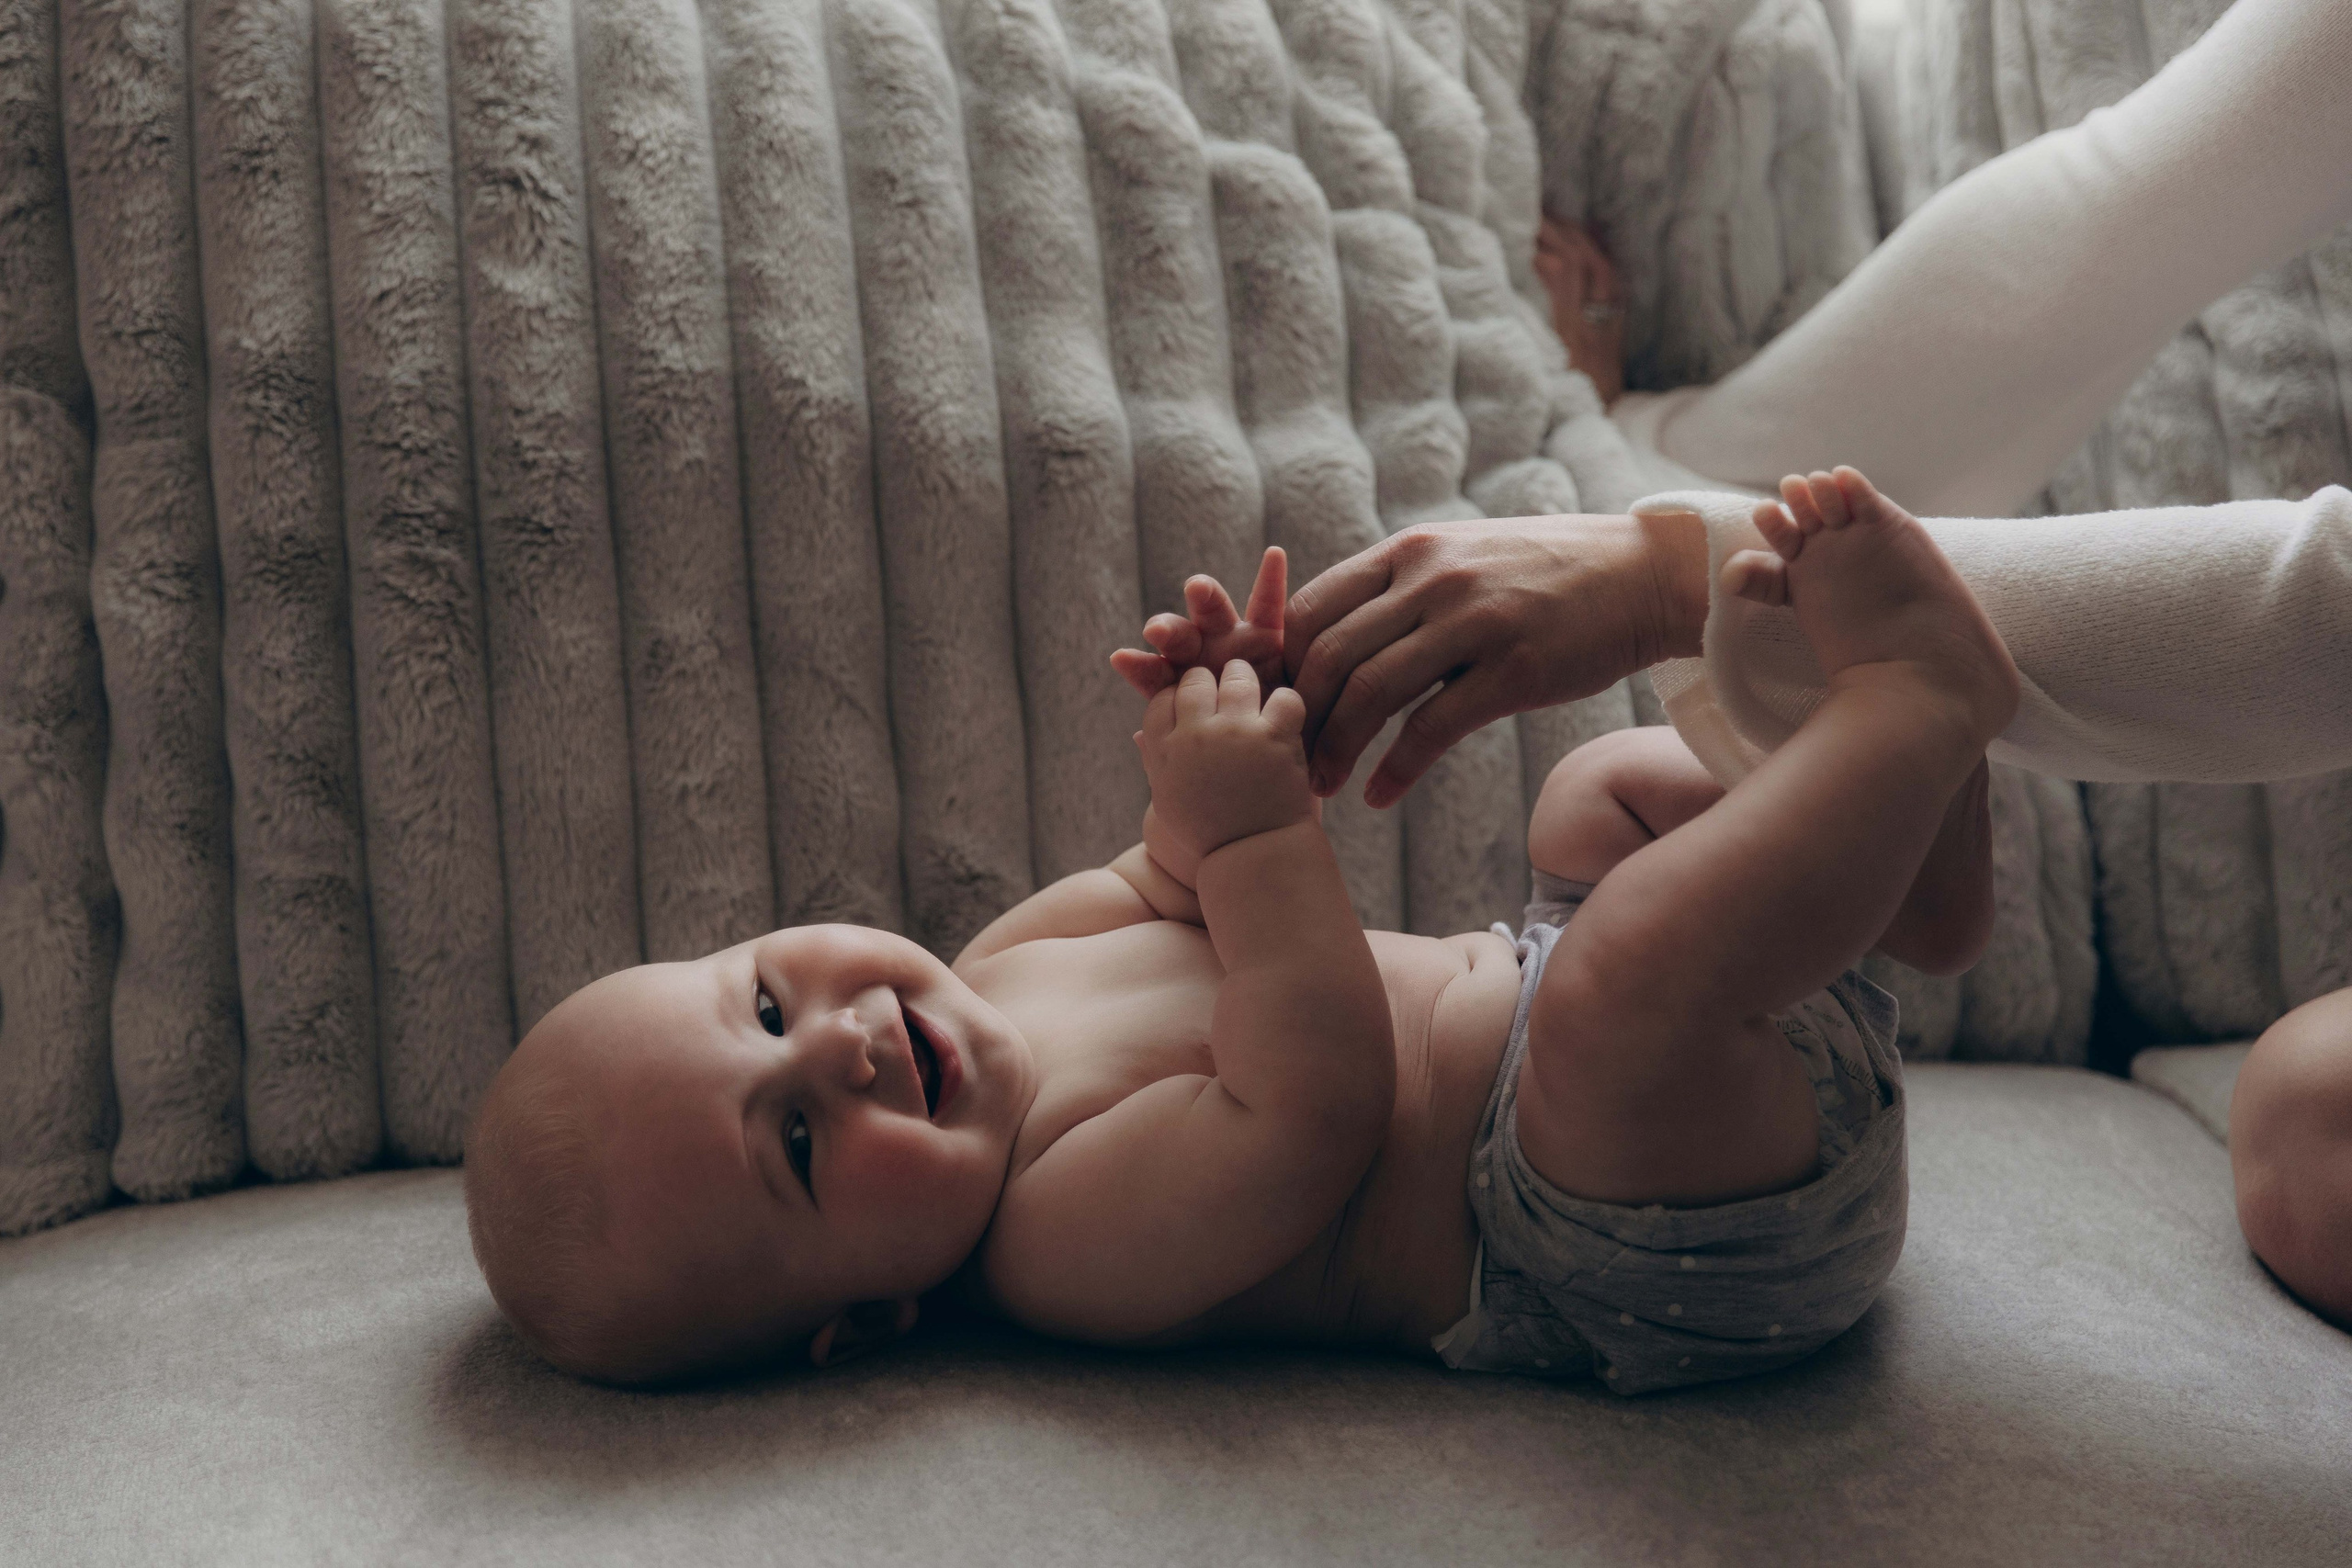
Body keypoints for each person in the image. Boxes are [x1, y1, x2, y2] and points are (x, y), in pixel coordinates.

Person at [1250, 0, 2352, 1325]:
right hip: (1663, 1147)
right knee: (2311, 1127)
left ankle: (1915, 727)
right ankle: (1913, 820)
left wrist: (1668, 571)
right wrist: (1653, 459)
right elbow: (2145, 196)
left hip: (1626, 1189)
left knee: (2303, 1132)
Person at [464, 468, 2018, 1391]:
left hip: (1654, 1034)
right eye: (796, 1144)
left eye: (763, 1011)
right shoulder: (1055, 1242)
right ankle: (1923, 707)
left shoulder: (998, 966)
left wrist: (1232, 724)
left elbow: (1168, 882)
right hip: (1638, 1228)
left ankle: (1921, 876)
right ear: (863, 1316)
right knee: (1617, 995)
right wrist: (1267, 832)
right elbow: (1313, 1106)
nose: (845, 1049)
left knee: (1599, 804)